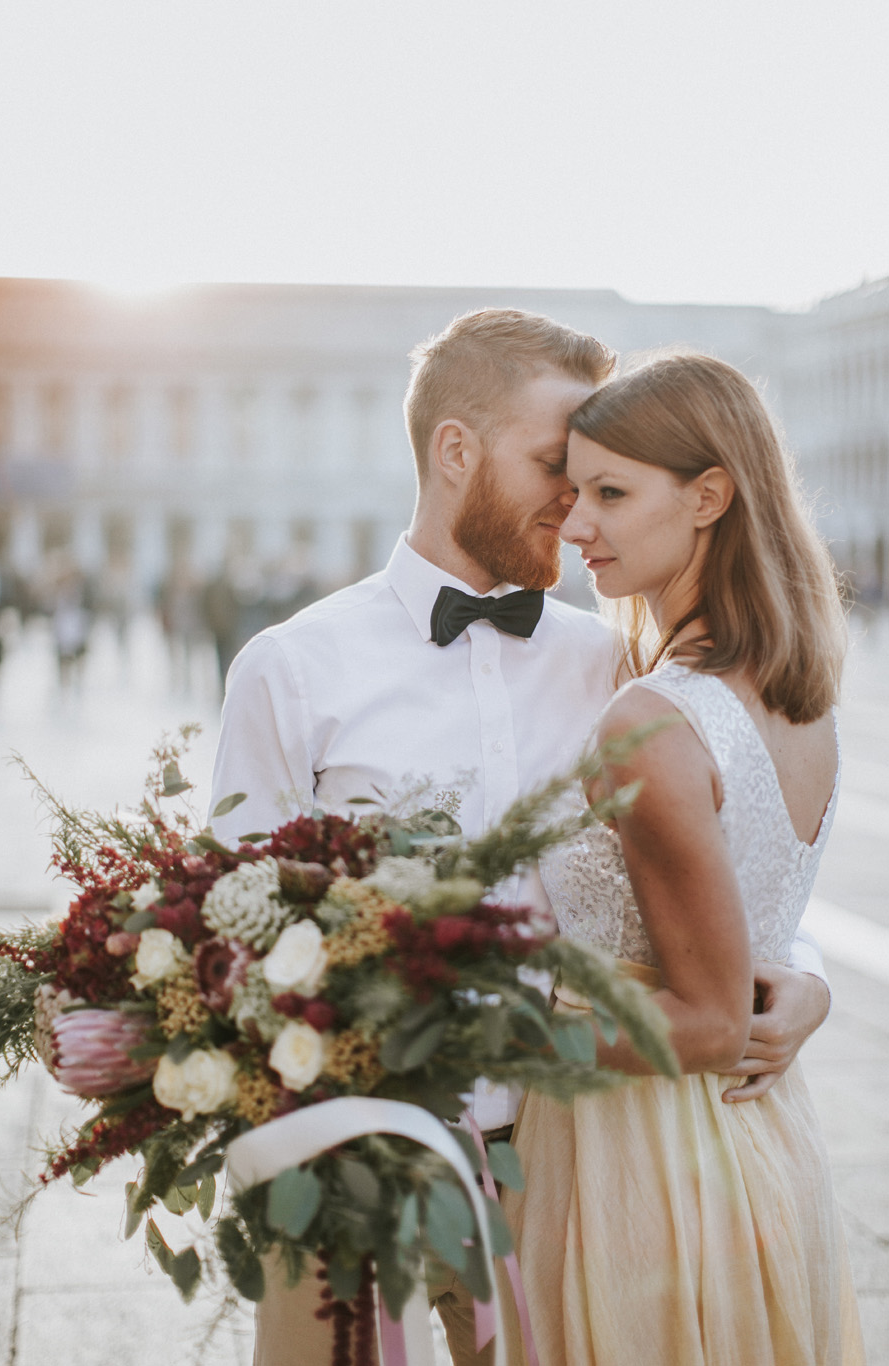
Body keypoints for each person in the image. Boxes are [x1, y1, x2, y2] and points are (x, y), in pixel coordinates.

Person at [210, 313, 832, 1366]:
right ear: (455, 451)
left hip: (572, 1168)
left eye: (602, 480)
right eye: (558, 465)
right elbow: (232, 942)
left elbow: (711, 880)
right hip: (369, 1167)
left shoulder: (620, 665)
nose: (576, 502)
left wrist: (803, 974)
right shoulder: (291, 667)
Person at [502, 353, 864, 1365]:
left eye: (610, 494)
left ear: (708, 496)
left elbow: (703, 1022)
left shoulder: (651, 718)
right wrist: (810, 987)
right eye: (573, 494)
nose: (575, 526)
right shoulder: (795, 696)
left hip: (636, 1154)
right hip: (758, 1139)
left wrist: (480, 1033)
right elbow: (751, 934)